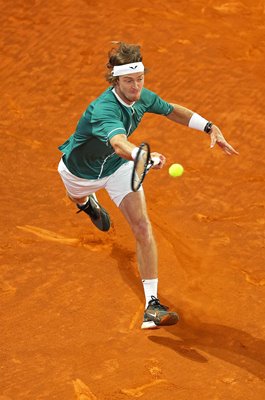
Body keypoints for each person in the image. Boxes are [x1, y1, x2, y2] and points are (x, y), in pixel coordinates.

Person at [58, 42, 238, 330]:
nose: (135, 87)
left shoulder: (142, 96)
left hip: (118, 169)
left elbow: (169, 110)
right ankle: (86, 204)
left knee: (142, 227)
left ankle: (151, 306)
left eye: (140, 79)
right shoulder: (103, 109)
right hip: (80, 173)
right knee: (76, 195)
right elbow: (118, 143)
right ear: (115, 80)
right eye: (128, 81)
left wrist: (209, 126)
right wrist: (143, 156)